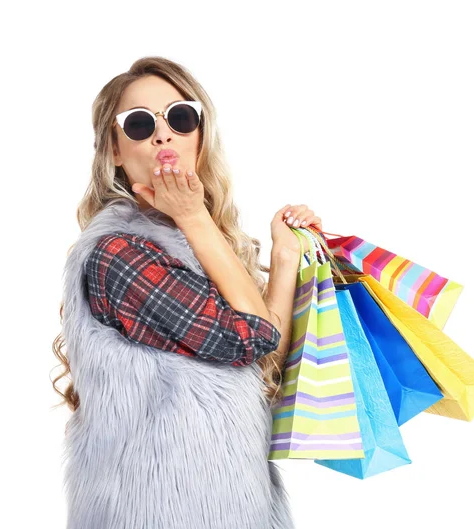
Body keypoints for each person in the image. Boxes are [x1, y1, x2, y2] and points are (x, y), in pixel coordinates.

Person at [51, 56, 322, 529]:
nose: (163, 135)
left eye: (180, 117)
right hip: (153, 511)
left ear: (199, 134)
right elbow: (249, 337)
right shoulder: (118, 253)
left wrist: (284, 257)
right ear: (113, 150)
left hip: (235, 505)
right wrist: (195, 217)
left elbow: (263, 362)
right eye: (138, 123)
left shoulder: (200, 245)